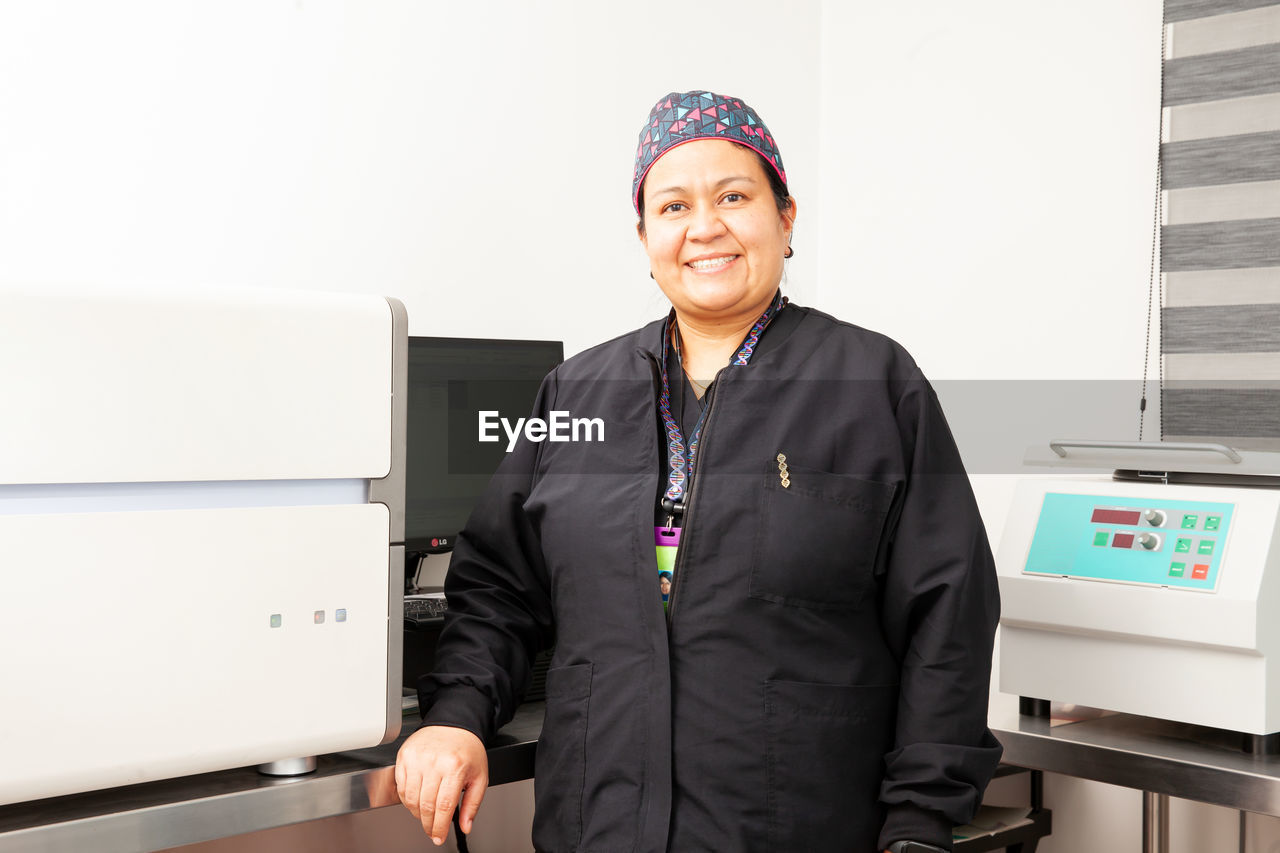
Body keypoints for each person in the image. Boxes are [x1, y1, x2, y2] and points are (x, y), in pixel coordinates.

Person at [396, 90, 1002, 853]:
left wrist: (920, 817)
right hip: (602, 826)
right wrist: (456, 715)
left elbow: (948, 613)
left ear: (785, 218)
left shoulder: (874, 384)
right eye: (673, 205)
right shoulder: (576, 391)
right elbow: (498, 587)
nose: (704, 226)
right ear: (645, 235)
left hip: (800, 825)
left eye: (734, 196)